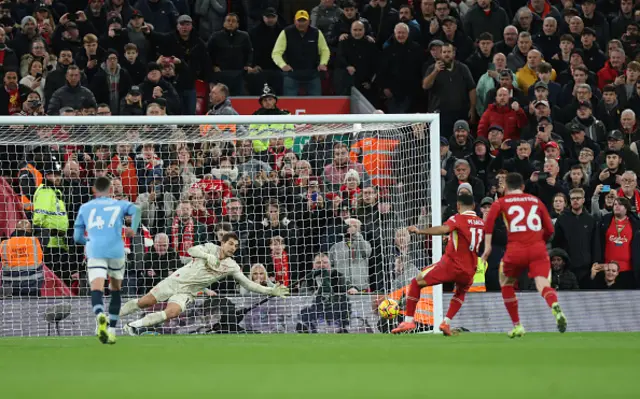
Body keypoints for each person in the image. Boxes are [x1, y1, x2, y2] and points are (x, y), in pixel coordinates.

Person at [119, 233, 289, 335]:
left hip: (188, 293)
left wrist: (271, 290)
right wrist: (207, 256)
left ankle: (133, 326)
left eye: (235, 246)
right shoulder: (209, 248)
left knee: (172, 312)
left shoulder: (232, 266)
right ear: (222, 243)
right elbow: (190, 250)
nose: (232, 248)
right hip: (175, 281)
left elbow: (249, 284)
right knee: (144, 303)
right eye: (230, 244)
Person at [482, 172, 567, 338]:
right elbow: (550, 229)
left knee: (505, 282)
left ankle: (517, 325)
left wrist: (487, 247)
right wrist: (538, 241)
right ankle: (554, 305)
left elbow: (489, 223)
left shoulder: (501, 202)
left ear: (505, 187)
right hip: (538, 249)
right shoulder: (536, 201)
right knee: (543, 284)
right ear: (522, 186)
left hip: (515, 250)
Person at [392, 193, 484, 336]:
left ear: (458, 206)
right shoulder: (480, 222)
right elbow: (467, 239)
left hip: (452, 265)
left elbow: (444, 229)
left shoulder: (457, 218)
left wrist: (420, 231)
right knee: (460, 293)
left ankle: (409, 321)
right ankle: (446, 322)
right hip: (470, 268)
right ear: (474, 206)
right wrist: (452, 239)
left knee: (416, 282)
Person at [73, 176, 141, 345]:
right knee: (115, 289)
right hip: (116, 250)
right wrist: (132, 229)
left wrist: (88, 242)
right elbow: (137, 211)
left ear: (94, 190)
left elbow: (77, 236)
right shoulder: (119, 204)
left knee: (96, 288)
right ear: (111, 190)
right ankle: (111, 330)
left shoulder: (85, 207)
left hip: (95, 251)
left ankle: (99, 315)